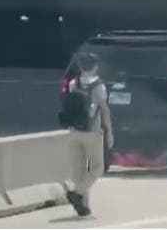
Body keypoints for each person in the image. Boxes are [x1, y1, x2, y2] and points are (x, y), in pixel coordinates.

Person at [60, 52, 113, 217]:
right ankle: (77, 193)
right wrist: (109, 131)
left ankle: (83, 207)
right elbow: (104, 111)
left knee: (79, 171)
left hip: (74, 131)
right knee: (97, 168)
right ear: (95, 66)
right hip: (92, 131)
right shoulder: (99, 86)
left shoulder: (73, 84)